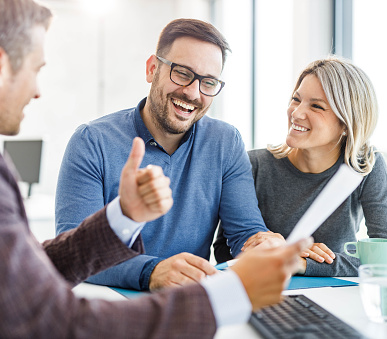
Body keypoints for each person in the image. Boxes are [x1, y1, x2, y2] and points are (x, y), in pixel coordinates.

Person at [0, 0, 313, 337]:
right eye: (35, 68)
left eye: (208, 82)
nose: (37, 90)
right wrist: (227, 296)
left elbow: (23, 273)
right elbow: (50, 321)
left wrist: (122, 217)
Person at [55, 18, 284, 291]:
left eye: (208, 83)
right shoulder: (92, 142)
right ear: (153, 69)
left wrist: (261, 244)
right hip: (108, 306)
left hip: (187, 305)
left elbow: (244, 233)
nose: (192, 93)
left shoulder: (225, 142)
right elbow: (73, 253)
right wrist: (152, 271)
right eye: (183, 74)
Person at [214, 56, 387, 276]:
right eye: (296, 99)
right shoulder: (253, 165)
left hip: (335, 295)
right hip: (270, 295)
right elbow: (223, 250)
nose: (296, 113)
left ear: (346, 123)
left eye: (316, 106)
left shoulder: (364, 166)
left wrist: (305, 264)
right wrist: (287, 253)